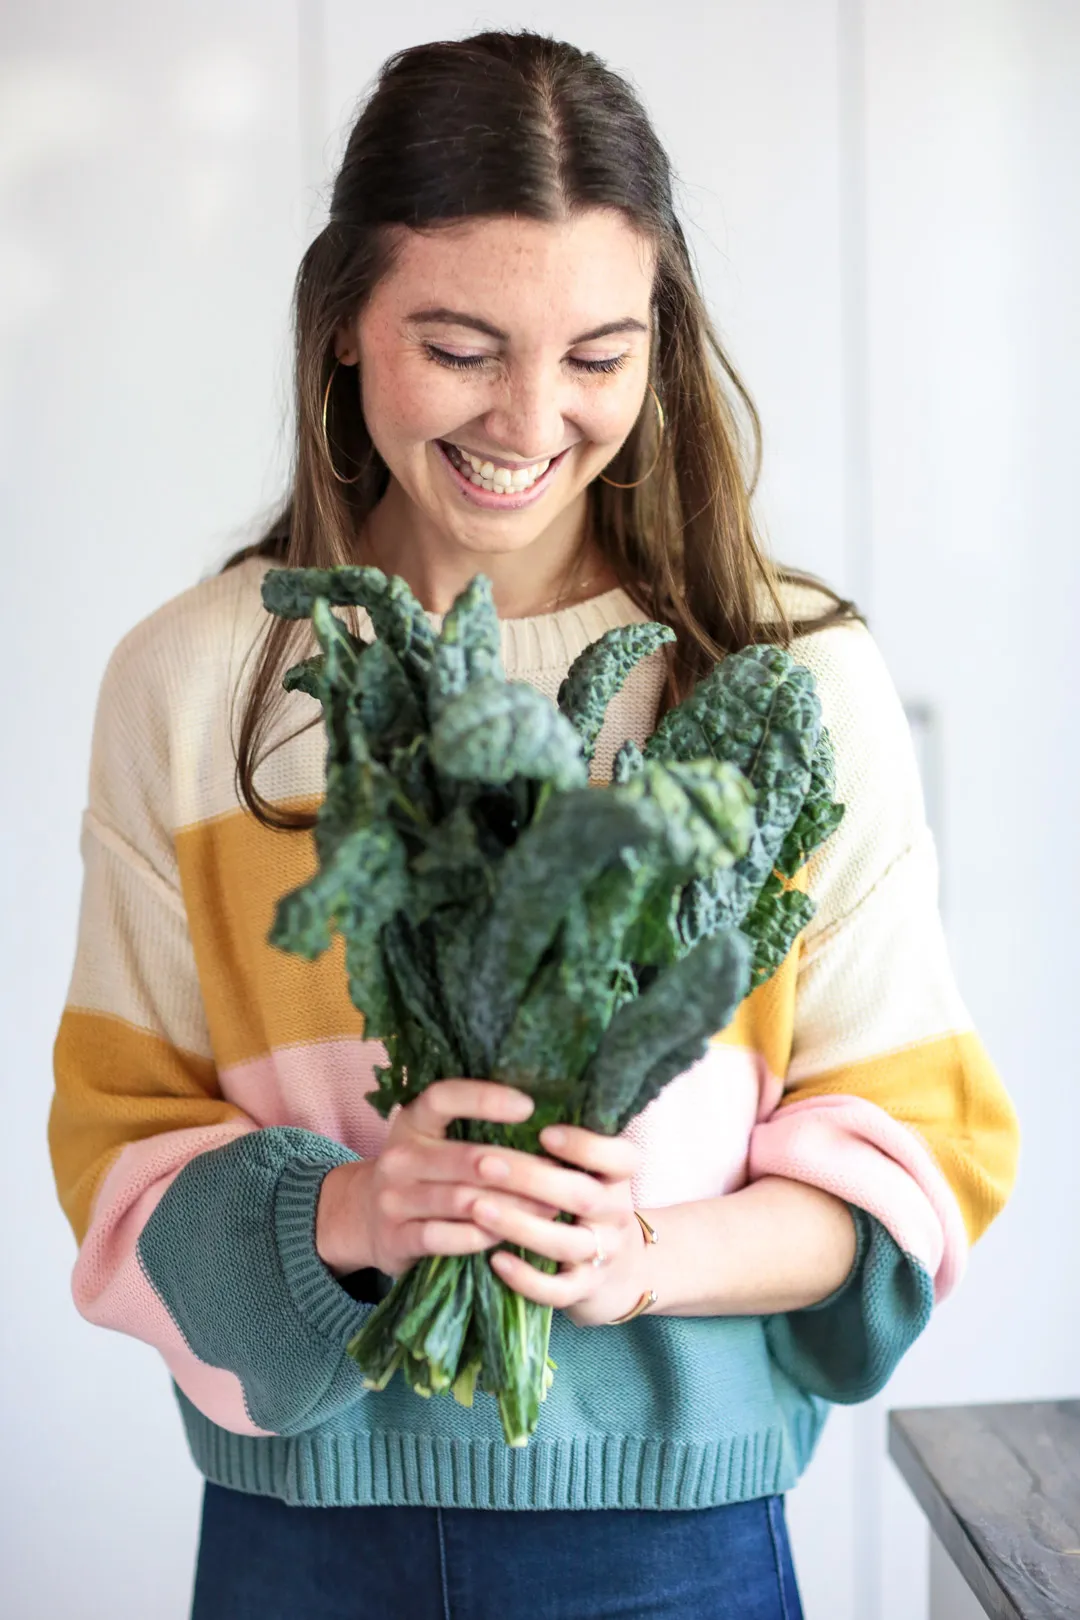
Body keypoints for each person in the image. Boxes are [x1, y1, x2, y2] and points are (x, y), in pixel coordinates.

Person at [47, 29, 1020, 1620]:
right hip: (305, 1542)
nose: (530, 417)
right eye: (462, 343)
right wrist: (347, 1214)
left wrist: (640, 1254)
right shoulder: (197, 679)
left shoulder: (790, 679)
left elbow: (916, 1151)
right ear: (346, 326)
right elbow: (120, 1151)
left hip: (675, 1543)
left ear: (661, 344)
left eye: (597, 354)